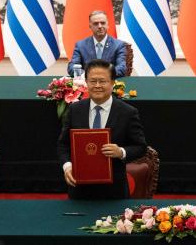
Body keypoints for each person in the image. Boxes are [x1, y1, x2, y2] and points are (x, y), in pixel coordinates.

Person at [57, 59, 146, 199]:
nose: (97, 85)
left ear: (112, 83)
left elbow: (140, 147)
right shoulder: (75, 109)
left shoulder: (127, 112)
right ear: (86, 82)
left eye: (102, 81)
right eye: (93, 81)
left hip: (114, 191)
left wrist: (121, 152)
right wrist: (67, 166)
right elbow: (63, 144)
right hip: (79, 189)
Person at [67, 10, 128, 77]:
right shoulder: (80, 45)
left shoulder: (118, 45)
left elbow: (122, 68)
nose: (100, 26)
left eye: (103, 23)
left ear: (107, 24)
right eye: (96, 23)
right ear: (90, 26)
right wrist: (89, 75)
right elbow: (72, 67)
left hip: (110, 85)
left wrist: (103, 75)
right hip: (87, 84)